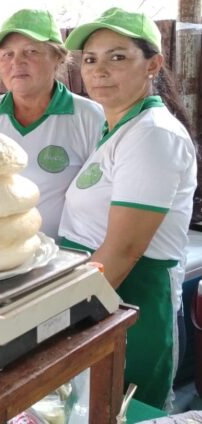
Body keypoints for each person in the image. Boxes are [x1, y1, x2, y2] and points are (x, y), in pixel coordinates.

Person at [60, 8, 197, 409]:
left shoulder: (152, 135)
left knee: (124, 409)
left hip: (126, 306)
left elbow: (122, 251)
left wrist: (60, 323)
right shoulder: (118, 129)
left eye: (117, 57)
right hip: (99, 298)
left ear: (152, 64)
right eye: (90, 59)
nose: (100, 70)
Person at [0, 9, 104, 239]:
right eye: (7, 54)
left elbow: (102, 198)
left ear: (57, 57)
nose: (17, 62)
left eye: (31, 51)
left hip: (65, 258)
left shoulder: (89, 118)